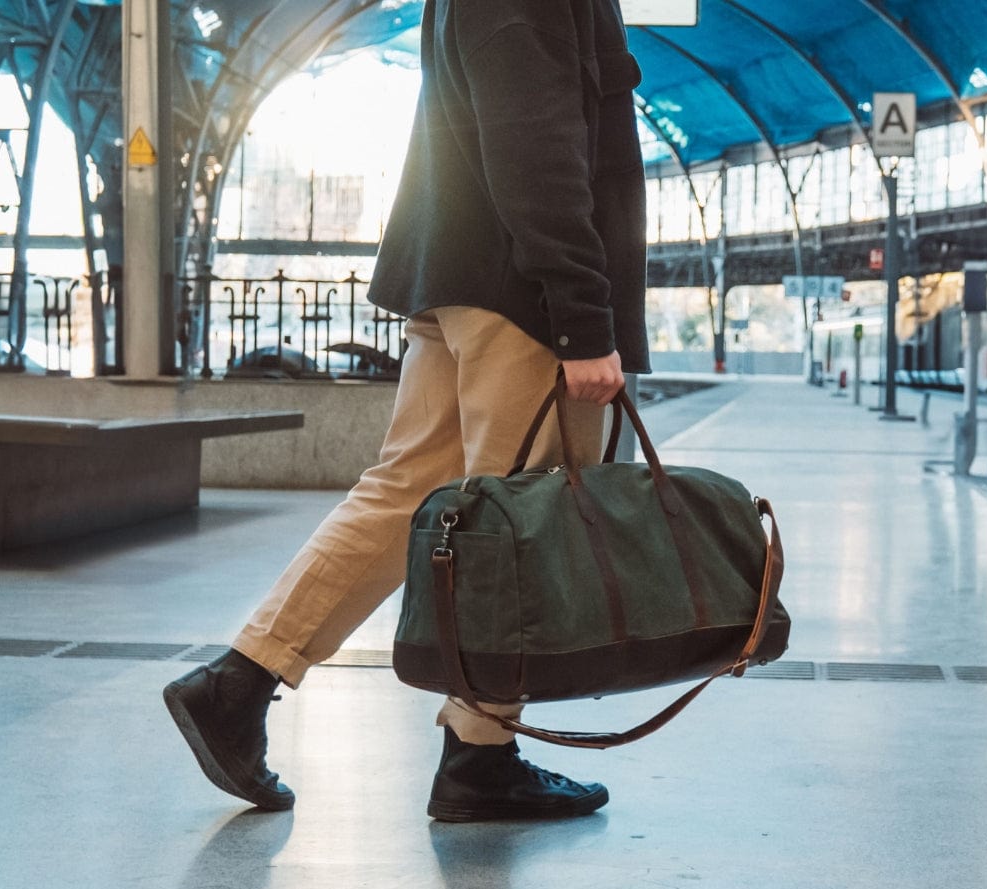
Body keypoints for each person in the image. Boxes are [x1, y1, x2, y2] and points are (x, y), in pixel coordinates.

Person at [163, 0, 649, 821]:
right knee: (515, 527)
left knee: (404, 498)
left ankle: (238, 683)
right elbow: (535, 146)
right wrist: (582, 316)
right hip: (522, 301)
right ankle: (481, 758)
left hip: (462, 282)